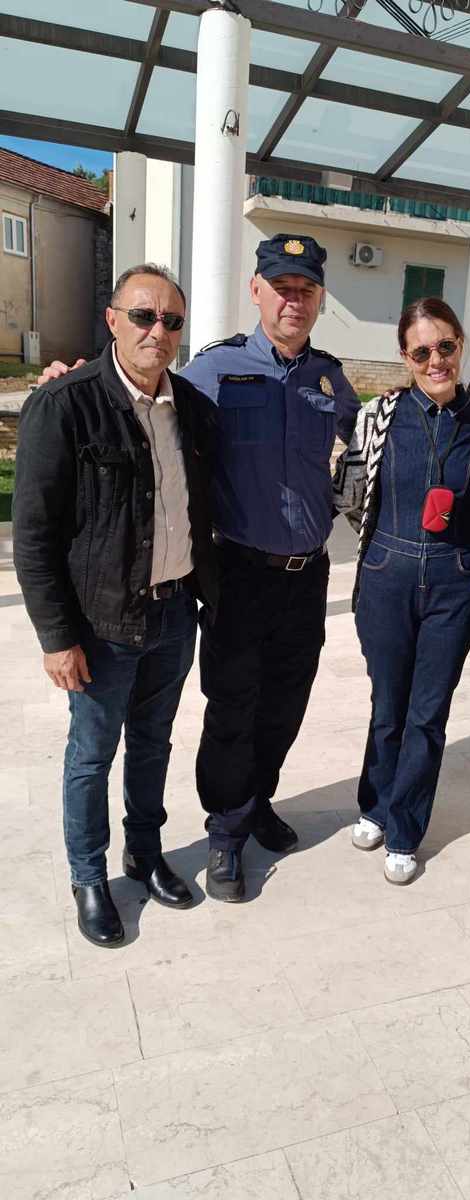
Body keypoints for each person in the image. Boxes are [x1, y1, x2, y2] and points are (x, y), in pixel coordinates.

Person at [14, 264, 218, 947]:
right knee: (92, 755)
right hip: (101, 624)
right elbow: (34, 535)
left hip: (174, 614)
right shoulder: (65, 404)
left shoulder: (192, 408)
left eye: (171, 320)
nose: (157, 330)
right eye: (143, 315)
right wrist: (56, 637)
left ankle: (145, 853)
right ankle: (88, 877)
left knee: (153, 744)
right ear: (112, 320)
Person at [181, 233, 360, 901]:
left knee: (285, 704)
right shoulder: (214, 370)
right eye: (281, 287)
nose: (293, 299)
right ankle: (225, 833)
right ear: (256, 290)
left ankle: (257, 800)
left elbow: (364, 446)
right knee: (232, 706)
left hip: (306, 576)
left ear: (319, 299)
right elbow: (148, 416)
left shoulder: (330, 379)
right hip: (241, 572)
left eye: (305, 289)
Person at [333, 298, 470, 885]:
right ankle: (375, 806)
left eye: (446, 347)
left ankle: (405, 829)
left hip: (454, 582)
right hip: (388, 574)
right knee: (388, 706)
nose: (436, 361)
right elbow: (352, 493)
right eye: (422, 351)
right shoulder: (378, 415)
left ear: (461, 345)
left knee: (427, 714)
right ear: (405, 357)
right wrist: (384, 549)